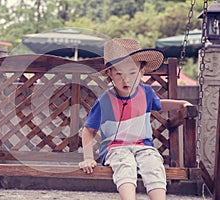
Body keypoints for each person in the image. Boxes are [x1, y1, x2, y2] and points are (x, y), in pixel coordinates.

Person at [79, 38, 192, 200]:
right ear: (110, 74)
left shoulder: (146, 93)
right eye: (119, 73)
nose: (126, 79)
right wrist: (88, 158)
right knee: (125, 163)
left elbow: (159, 104)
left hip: (143, 145)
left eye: (132, 73)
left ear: (142, 72)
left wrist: (181, 104)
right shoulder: (106, 100)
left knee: (153, 162)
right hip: (115, 147)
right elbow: (89, 130)